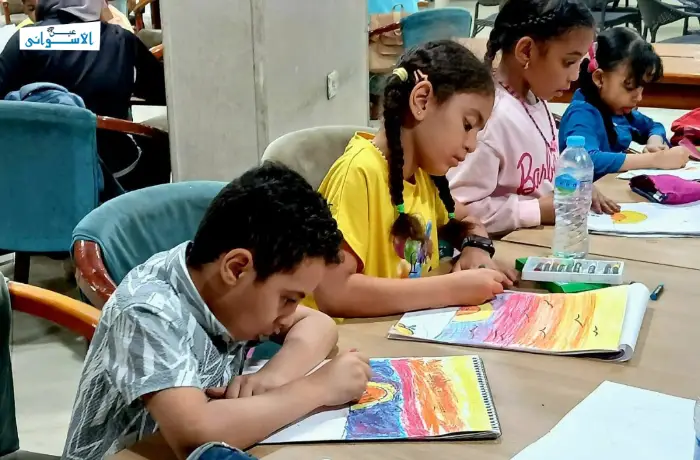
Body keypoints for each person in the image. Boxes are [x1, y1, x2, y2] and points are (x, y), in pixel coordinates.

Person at [62, 163, 371, 460]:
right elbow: (197, 435)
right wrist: (318, 388)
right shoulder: (147, 310)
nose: (289, 314)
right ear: (236, 268)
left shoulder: (226, 294)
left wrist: (275, 377)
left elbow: (319, 324)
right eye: (288, 298)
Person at [310, 40, 516, 319]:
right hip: (354, 340)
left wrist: (476, 248)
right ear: (422, 100)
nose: (472, 145)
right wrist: (450, 289)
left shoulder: (424, 176)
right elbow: (333, 292)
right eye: (467, 125)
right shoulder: (360, 172)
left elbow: (468, 219)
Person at [447, 0, 620, 236]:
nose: (574, 76)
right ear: (526, 51)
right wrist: (536, 210)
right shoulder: (490, 119)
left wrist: (572, 185)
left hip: (542, 238)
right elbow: (456, 209)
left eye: (580, 63)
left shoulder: (534, 99)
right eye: (568, 62)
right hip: (503, 248)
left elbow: (540, 173)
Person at [0, 0, 167, 194]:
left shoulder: (24, 39)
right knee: (161, 144)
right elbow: (160, 91)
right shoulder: (119, 39)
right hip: (116, 171)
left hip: (42, 168)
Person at [558, 27, 690, 179]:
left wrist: (655, 140)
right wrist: (654, 159)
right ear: (599, 78)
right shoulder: (581, 114)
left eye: (641, 87)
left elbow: (654, 126)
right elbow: (587, 159)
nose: (639, 97)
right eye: (629, 87)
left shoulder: (619, 111)